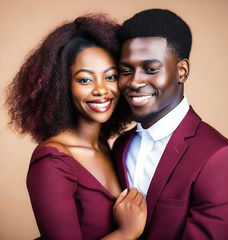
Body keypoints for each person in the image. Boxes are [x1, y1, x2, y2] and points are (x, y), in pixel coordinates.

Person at [6, 14, 147, 240]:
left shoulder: (106, 146)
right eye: (85, 80)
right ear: (61, 87)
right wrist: (126, 232)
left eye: (110, 77)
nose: (102, 89)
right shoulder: (52, 162)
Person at [113, 8, 228, 240]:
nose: (134, 82)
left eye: (151, 69)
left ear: (182, 71)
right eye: (126, 70)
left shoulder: (220, 158)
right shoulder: (121, 145)